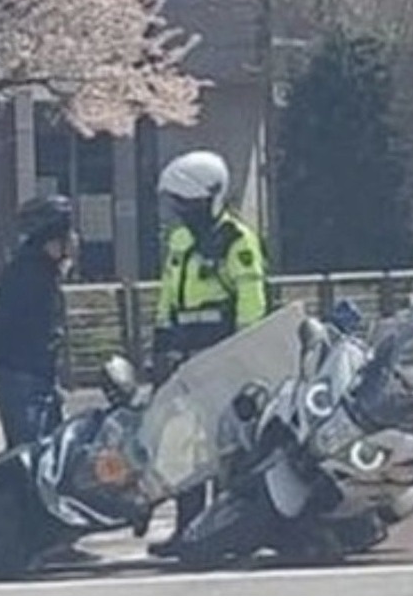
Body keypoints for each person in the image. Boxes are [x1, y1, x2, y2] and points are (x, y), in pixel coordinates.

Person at [147, 150, 268, 558]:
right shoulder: (181, 241)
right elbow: (169, 295)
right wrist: (160, 345)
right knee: (185, 450)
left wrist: (244, 353)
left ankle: (225, 529)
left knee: (227, 449)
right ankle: (188, 529)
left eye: (187, 203)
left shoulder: (236, 240)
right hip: (186, 363)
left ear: (209, 198)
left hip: (223, 361)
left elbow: (252, 300)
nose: (181, 211)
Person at [0, 195, 75, 449]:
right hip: (23, 380)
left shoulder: (44, 271)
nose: (74, 240)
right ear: (54, 238)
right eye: (68, 234)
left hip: (42, 378)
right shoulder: (27, 274)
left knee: (54, 455)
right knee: (30, 457)